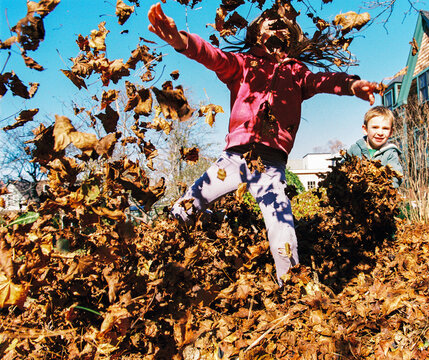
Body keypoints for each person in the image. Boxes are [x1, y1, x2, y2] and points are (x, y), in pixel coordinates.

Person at [148, 1, 380, 284]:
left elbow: (323, 80)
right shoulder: (243, 65)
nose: (276, 25)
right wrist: (181, 41)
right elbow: (212, 56)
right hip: (233, 160)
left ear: (290, 37)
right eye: (269, 21)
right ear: (256, 33)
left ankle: (292, 290)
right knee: (188, 204)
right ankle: (153, 258)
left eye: (283, 24)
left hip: (271, 167)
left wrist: (352, 85)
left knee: (282, 231)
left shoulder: (297, 73)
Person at [347, 106, 403, 187]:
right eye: (375, 127)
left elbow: (396, 177)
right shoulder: (355, 149)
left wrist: (382, 186)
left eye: (385, 128)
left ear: (391, 132)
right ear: (365, 129)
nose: (380, 132)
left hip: (380, 195)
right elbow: (342, 169)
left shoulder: (390, 153)